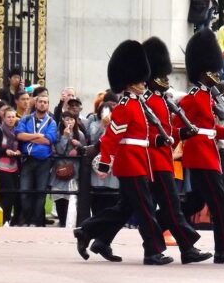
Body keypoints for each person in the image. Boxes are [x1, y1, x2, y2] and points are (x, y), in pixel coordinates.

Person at [74, 39, 173, 265]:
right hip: (130, 163)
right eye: (139, 80)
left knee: (125, 207)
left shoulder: (137, 103)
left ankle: (90, 233)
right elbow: (111, 137)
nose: (143, 83)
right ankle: (152, 251)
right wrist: (105, 162)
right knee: (147, 208)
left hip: (140, 160)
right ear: (128, 83)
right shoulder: (126, 106)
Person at [177, 29, 224, 265]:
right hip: (200, 155)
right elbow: (178, 127)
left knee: (194, 202)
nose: (217, 74)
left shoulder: (207, 95)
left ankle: (159, 222)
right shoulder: (192, 97)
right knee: (221, 203)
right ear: (203, 72)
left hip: (208, 152)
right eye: (213, 71)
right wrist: (185, 134)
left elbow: (210, 127)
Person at [15, 92, 56, 227]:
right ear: (36, 103)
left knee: (40, 193)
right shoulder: (26, 119)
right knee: (24, 191)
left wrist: (30, 137)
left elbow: (48, 140)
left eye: (45, 102)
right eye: (40, 101)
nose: (42, 104)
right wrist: (37, 135)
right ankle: (26, 220)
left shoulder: (52, 122)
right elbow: (20, 135)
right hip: (28, 159)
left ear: (48, 105)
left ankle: (37, 222)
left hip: (44, 161)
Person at [50, 111, 86, 227]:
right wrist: (65, 136)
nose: (69, 122)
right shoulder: (58, 134)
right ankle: (61, 221)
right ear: (62, 121)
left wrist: (79, 146)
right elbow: (59, 151)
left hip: (73, 171)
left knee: (70, 199)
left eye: (71, 119)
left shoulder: (79, 134)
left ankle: (69, 223)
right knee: (59, 197)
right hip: (59, 170)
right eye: (66, 119)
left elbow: (85, 150)